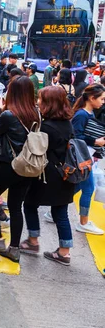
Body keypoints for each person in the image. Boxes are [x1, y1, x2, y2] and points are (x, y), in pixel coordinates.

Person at [0, 76, 41, 262]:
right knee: (16, 207)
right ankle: (14, 248)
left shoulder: (8, 114)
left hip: (8, 165)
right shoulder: (36, 112)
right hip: (28, 166)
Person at [22, 86, 76, 265]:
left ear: (49, 103)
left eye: (41, 99)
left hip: (46, 175)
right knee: (61, 213)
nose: (38, 101)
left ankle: (33, 240)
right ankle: (64, 252)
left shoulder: (46, 126)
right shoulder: (68, 123)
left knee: (30, 204)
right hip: (65, 174)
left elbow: (37, 149)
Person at [63, 84, 105, 235]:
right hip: (81, 159)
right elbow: (75, 136)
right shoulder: (82, 115)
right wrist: (95, 142)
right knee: (88, 188)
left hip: (86, 157)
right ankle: (83, 222)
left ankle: (56, 208)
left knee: (79, 187)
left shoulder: (89, 113)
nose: (103, 101)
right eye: (101, 98)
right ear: (92, 98)